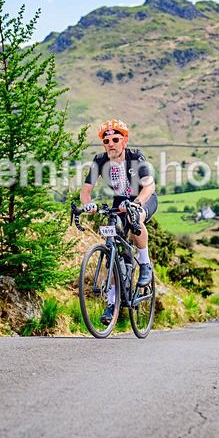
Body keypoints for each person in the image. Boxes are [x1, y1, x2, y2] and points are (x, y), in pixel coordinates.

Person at [80, 119, 158, 325]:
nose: (111, 143)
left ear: (124, 141)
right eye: (106, 141)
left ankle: (145, 262)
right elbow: (86, 191)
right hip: (119, 201)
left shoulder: (135, 157)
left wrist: (137, 203)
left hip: (143, 197)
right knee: (113, 251)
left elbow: (149, 187)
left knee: (135, 219)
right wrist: (88, 204)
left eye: (116, 139)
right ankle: (112, 303)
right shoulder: (99, 161)